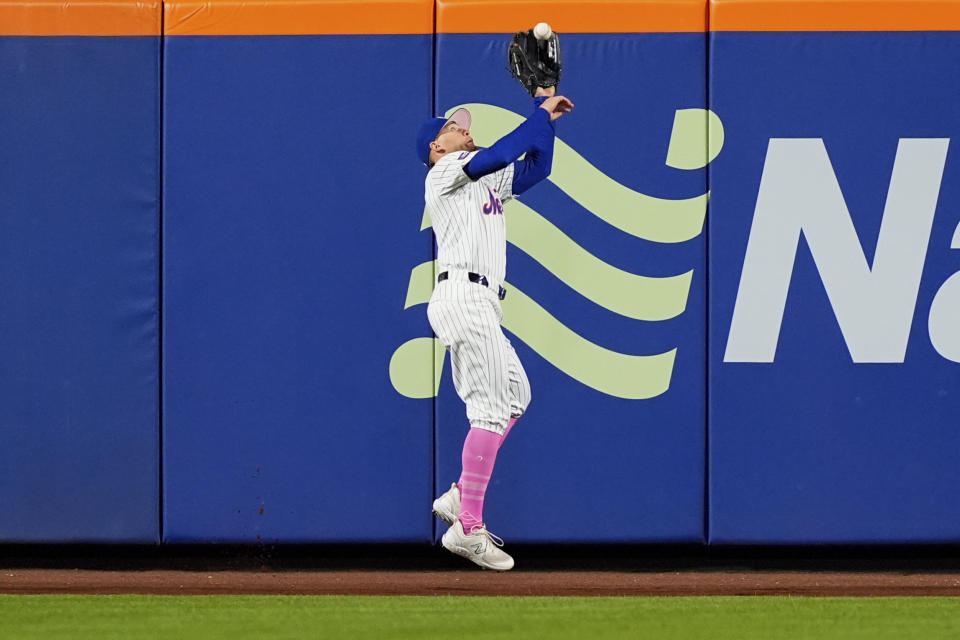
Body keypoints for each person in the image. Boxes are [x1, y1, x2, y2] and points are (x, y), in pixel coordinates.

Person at [414, 87, 573, 570]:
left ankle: (462, 493)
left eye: (462, 124)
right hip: (462, 295)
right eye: (452, 127)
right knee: (487, 411)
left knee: (515, 398)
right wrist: (538, 111)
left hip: (482, 300)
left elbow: (537, 167)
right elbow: (506, 149)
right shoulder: (444, 173)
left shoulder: (483, 181)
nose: (463, 128)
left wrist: (546, 115)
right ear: (436, 148)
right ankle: (468, 526)